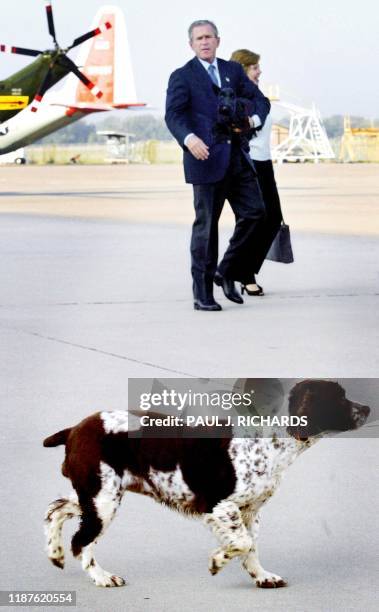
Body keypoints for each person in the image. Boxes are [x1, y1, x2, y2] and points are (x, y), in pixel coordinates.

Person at [165, 21, 271, 311]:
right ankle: (202, 293)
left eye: (208, 37)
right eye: (198, 39)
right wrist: (188, 139)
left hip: (236, 157)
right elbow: (173, 115)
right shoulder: (182, 76)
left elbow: (260, 101)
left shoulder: (233, 71)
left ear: (218, 40)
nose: (204, 42)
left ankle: (226, 271)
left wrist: (252, 120)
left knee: (255, 214)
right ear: (191, 45)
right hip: (205, 158)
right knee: (207, 227)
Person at [230, 49, 283, 296]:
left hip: (265, 162)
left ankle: (243, 269)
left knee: (272, 220)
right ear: (243, 69)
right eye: (254, 67)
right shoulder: (237, 97)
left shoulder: (258, 96)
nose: (259, 71)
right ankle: (243, 273)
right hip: (249, 163)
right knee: (254, 220)